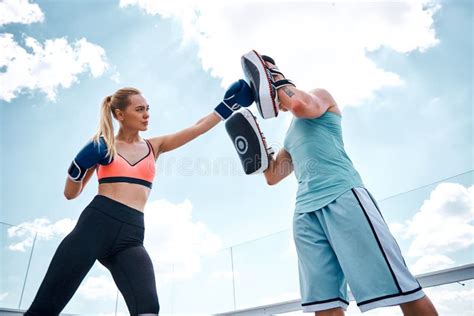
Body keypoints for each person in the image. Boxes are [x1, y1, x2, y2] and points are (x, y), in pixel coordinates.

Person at [24, 81, 253, 316]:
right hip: (95, 227)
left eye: (147, 108)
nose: (146, 115)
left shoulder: (155, 146)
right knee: (46, 308)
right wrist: (77, 167)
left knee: (148, 308)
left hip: (131, 236)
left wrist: (228, 105)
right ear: (120, 114)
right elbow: (70, 194)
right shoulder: (103, 147)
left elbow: (198, 127)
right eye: (139, 109)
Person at [237, 50, 439, 315]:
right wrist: (256, 148)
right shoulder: (289, 135)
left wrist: (275, 81)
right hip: (305, 213)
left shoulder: (321, 98)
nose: (280, 104)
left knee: (402, 287)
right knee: (325, 304)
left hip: (343, 195)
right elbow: (273, 176)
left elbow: (299, 105)